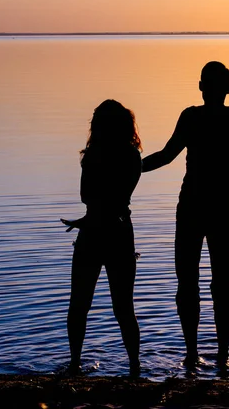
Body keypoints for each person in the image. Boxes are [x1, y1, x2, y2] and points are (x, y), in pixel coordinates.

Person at [141, 6, 229, 367]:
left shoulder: (198, 116)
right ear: (226, 88)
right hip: (213, 205)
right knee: (216, 280)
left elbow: (165, 157)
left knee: (193, 281)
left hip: (198, 203)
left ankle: (195, 355)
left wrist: (131, 169)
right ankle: (219, 356)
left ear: (203, 87)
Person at [61, 99, 142, 375]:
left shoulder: (93, 155)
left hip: (93, 233)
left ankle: (74, 363)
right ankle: (135, 366)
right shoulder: (132, 156)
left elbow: (87, 196)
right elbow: (120, 197)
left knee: (79, 304)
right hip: (120, 230)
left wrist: (88, 218)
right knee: (123, 308)